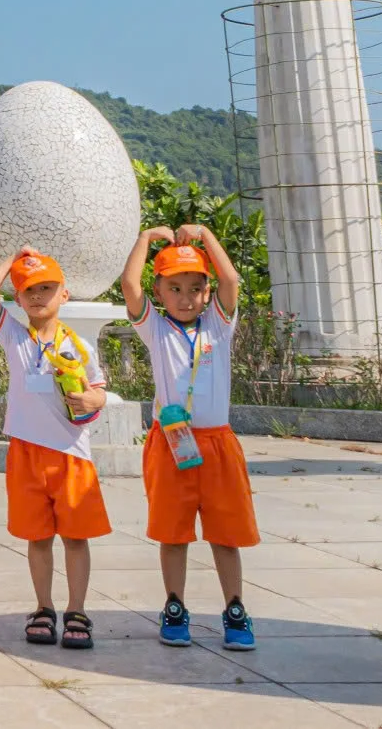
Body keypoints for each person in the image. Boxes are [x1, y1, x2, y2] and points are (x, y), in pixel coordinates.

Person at [122, 223, 258, 651]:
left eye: (196, 288)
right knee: (173, 532)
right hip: (171, 442)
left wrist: (203, 236)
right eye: (175, 288)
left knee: (226, 533)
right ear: (159, 292)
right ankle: (174, 606)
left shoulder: (218, 326)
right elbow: (128, 284)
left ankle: (235, 609)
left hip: (217, 443)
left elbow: (232, 279)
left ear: (207, 292)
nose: (186, 298)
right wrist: (145, 239)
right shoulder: (156, 330)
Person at [0, 246, 112, 651]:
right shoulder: (15, 337)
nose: (38, 296)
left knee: (76, 537)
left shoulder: (79, 346)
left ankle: (77, 610)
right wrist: (11, 259)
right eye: (28, 290)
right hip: (25, 451)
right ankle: (43, 607)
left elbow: (99, 391)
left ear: (64, 294)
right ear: (18, 299)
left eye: (46, 288)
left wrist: (94, 401)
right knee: (36, 537)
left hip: (71, 454)